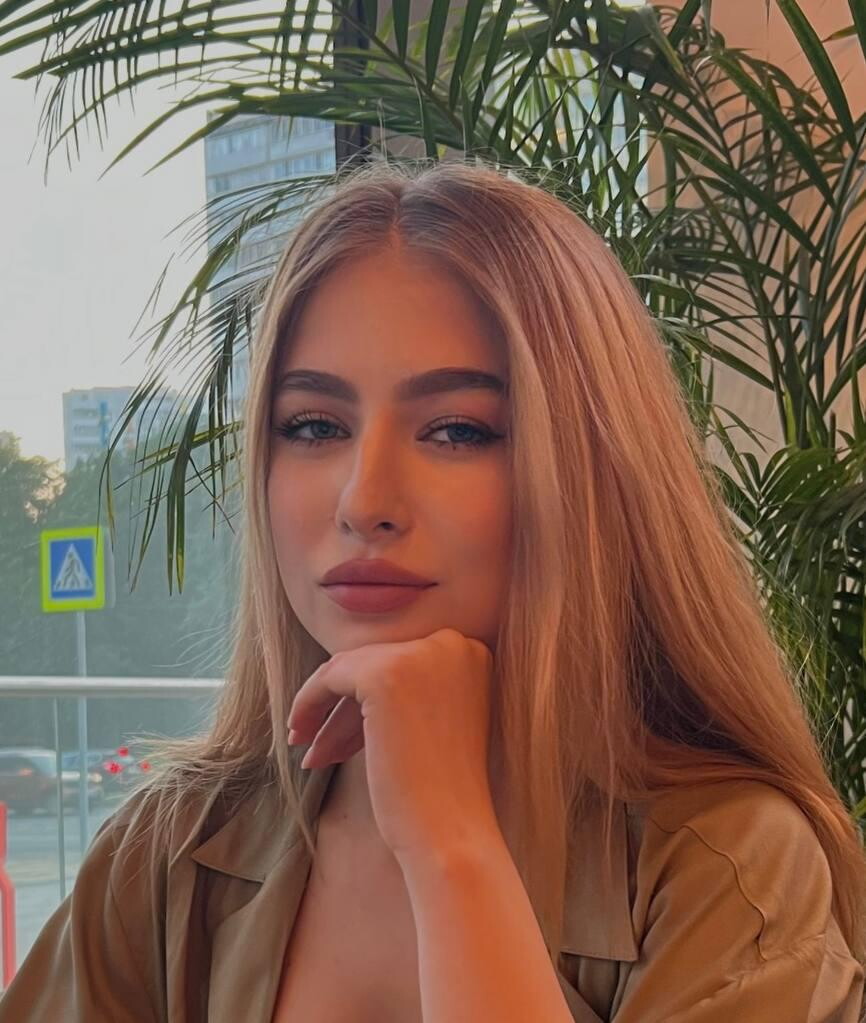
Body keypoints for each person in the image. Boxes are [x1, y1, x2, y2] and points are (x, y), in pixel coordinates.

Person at [1, 157, 864, 1023]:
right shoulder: (166, 855)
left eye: (457, 430)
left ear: (596, 472)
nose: (363, 500)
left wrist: (451, 847)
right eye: (314, 425)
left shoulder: (731, 869)